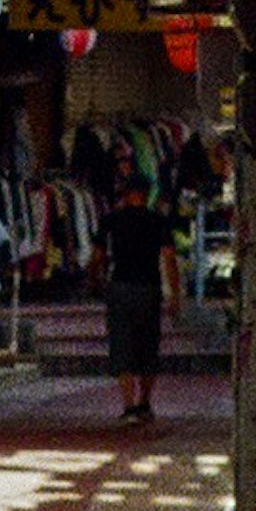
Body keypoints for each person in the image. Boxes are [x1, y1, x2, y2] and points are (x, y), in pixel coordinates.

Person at [101, 164, 167, 433]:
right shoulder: (158, 221)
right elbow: (169, 258)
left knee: (122, 344)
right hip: (149, 288)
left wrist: (95, 280)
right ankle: (144, 403)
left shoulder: (111, 220)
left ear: (126, 193)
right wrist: (175, 294)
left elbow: (97, 256)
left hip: (120, 287)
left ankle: (128, 405)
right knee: (149, 344)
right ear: (148, 193)